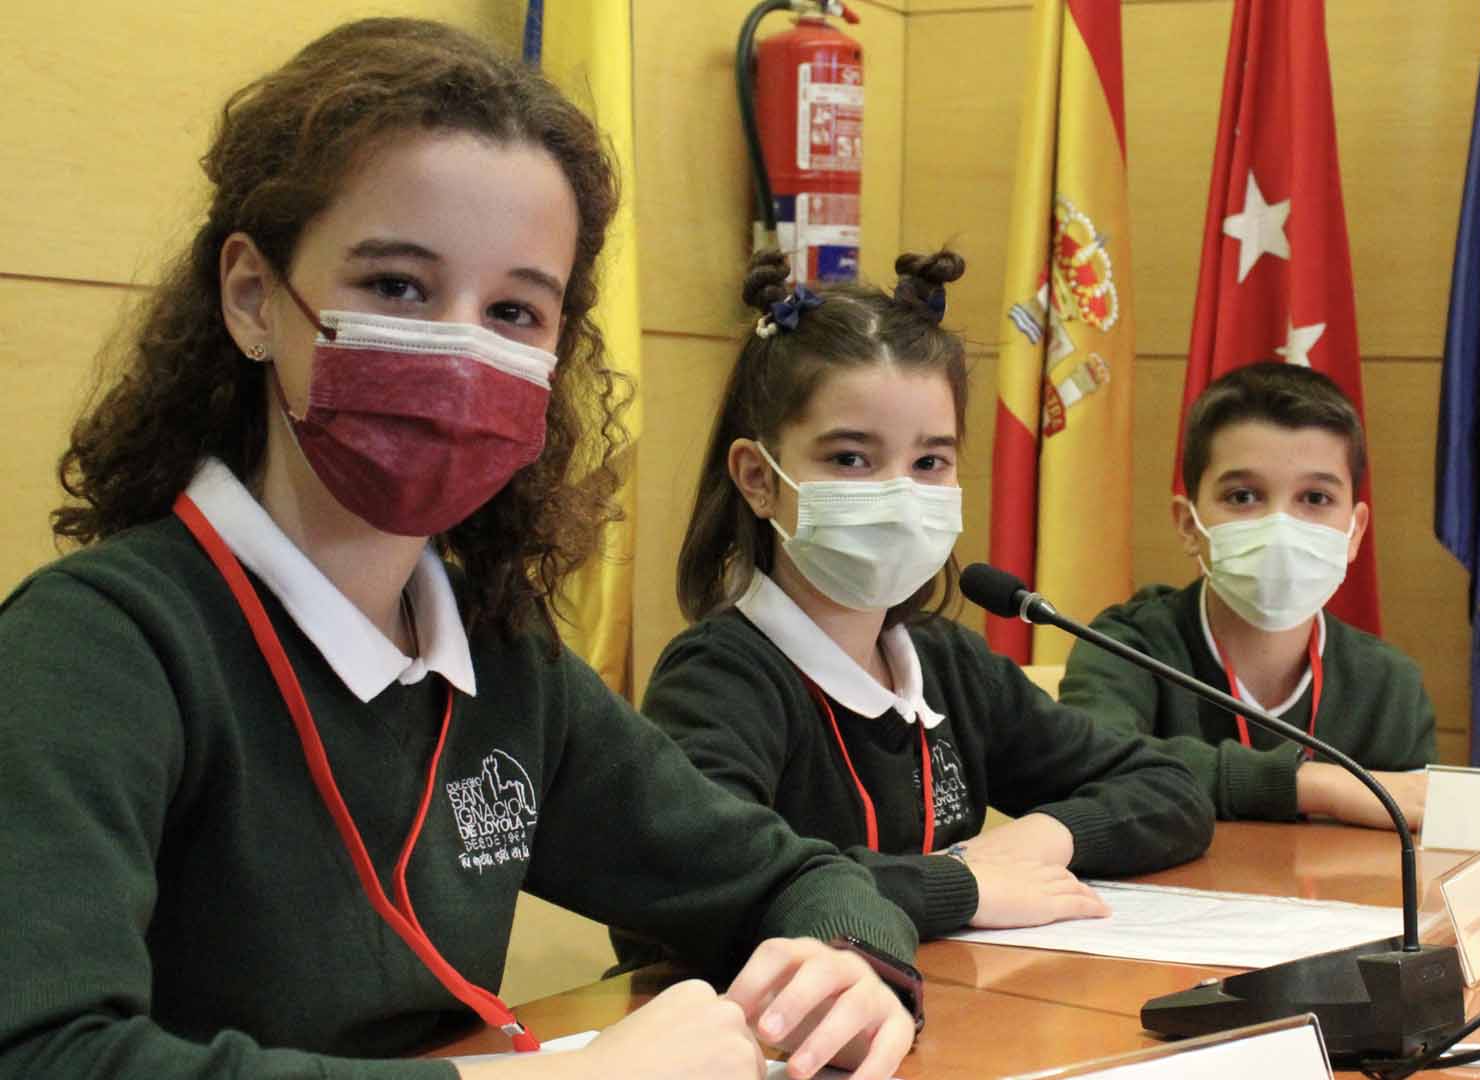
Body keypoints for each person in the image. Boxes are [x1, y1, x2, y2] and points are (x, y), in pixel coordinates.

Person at [0, 19, 915, 1080]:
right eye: (398, 285)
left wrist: (852, 959)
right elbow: (45, 1055)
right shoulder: (95, 648)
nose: (461, 348)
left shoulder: (500, 650)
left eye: (516, 311)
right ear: (253, 298)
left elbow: (783, 876)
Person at [617, 250, 1213, 956]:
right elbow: (708, 884)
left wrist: (1041, 838)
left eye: (929, 462)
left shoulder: (947, 663)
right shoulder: (718, 677)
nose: (899, 494)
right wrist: (961, 886)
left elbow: (1171, 789)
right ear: (758, 478)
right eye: (851, 458)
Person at [1059, 362, 1436, 829]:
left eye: (1315, 498)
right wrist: (1315, 785)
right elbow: (1092, 763)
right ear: (1188, 525)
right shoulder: (1125, 647)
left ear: (1354, 532)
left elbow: (1413, 842)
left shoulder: (1389, 684)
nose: (1280, 527)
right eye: (1243, 497)